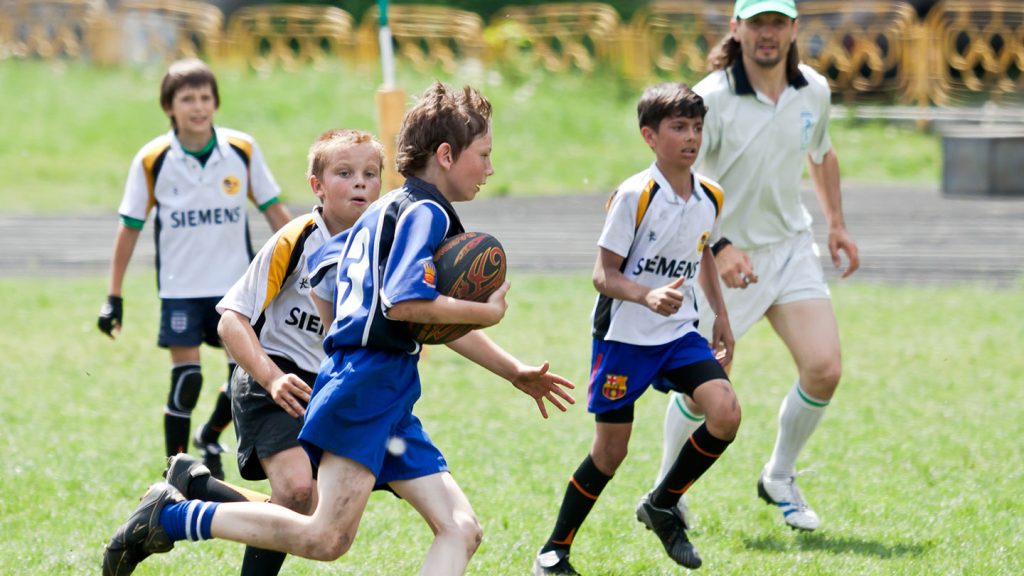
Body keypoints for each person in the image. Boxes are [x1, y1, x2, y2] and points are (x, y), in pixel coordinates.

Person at [102, 80, 576, 576]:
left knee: (461, 527)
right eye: (484, 154)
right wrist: (485, 311)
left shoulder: (377, 217)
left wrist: (512, 370)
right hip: (368, 384)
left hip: (377, 384)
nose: (491, 168)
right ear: (447, 155)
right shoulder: (426, 214)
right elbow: (405, 301)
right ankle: (175, 516)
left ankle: (189, 501)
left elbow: (329, 289)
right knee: (323, 534)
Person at [656, 0, 860, 533]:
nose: (767, 34)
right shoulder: (711, 98)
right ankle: (665, 493)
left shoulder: (813, 88)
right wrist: (719, 247)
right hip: (723, 256)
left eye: (778, 22)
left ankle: (779, 476)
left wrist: (835, 223)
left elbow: (822, 153)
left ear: (794, 29)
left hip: (791, 248)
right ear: (737, 29)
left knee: (825, 367)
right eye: (757, 22)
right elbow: (684, 182)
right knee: (706, 386)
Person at [532, 82, 740, 575]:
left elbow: (702, 253)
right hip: (624, 337)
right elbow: (602, 275)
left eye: (696, 127)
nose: (690, 138)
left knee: (726, 412)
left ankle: (662, 504)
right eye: (678, 128)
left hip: (678, 334)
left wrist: (722, 318)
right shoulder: (634, 194)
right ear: (649, 136)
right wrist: (646, 294)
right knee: (610, 451)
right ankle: (553, 551)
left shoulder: (710, 194)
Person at [96, 58, 292, 479]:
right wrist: (114, 295)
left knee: (244, 375)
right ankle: (176, 475)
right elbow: (129, 229)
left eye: (205, 97)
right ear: (169, 106)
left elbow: (276, 210)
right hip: (180, 289)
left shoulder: (242, 149)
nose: (198, 107)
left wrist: (311, 254)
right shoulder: (152, 159)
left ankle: (210, 433)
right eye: (187, 99)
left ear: (216, 103)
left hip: (235, 292)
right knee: (187, 381)